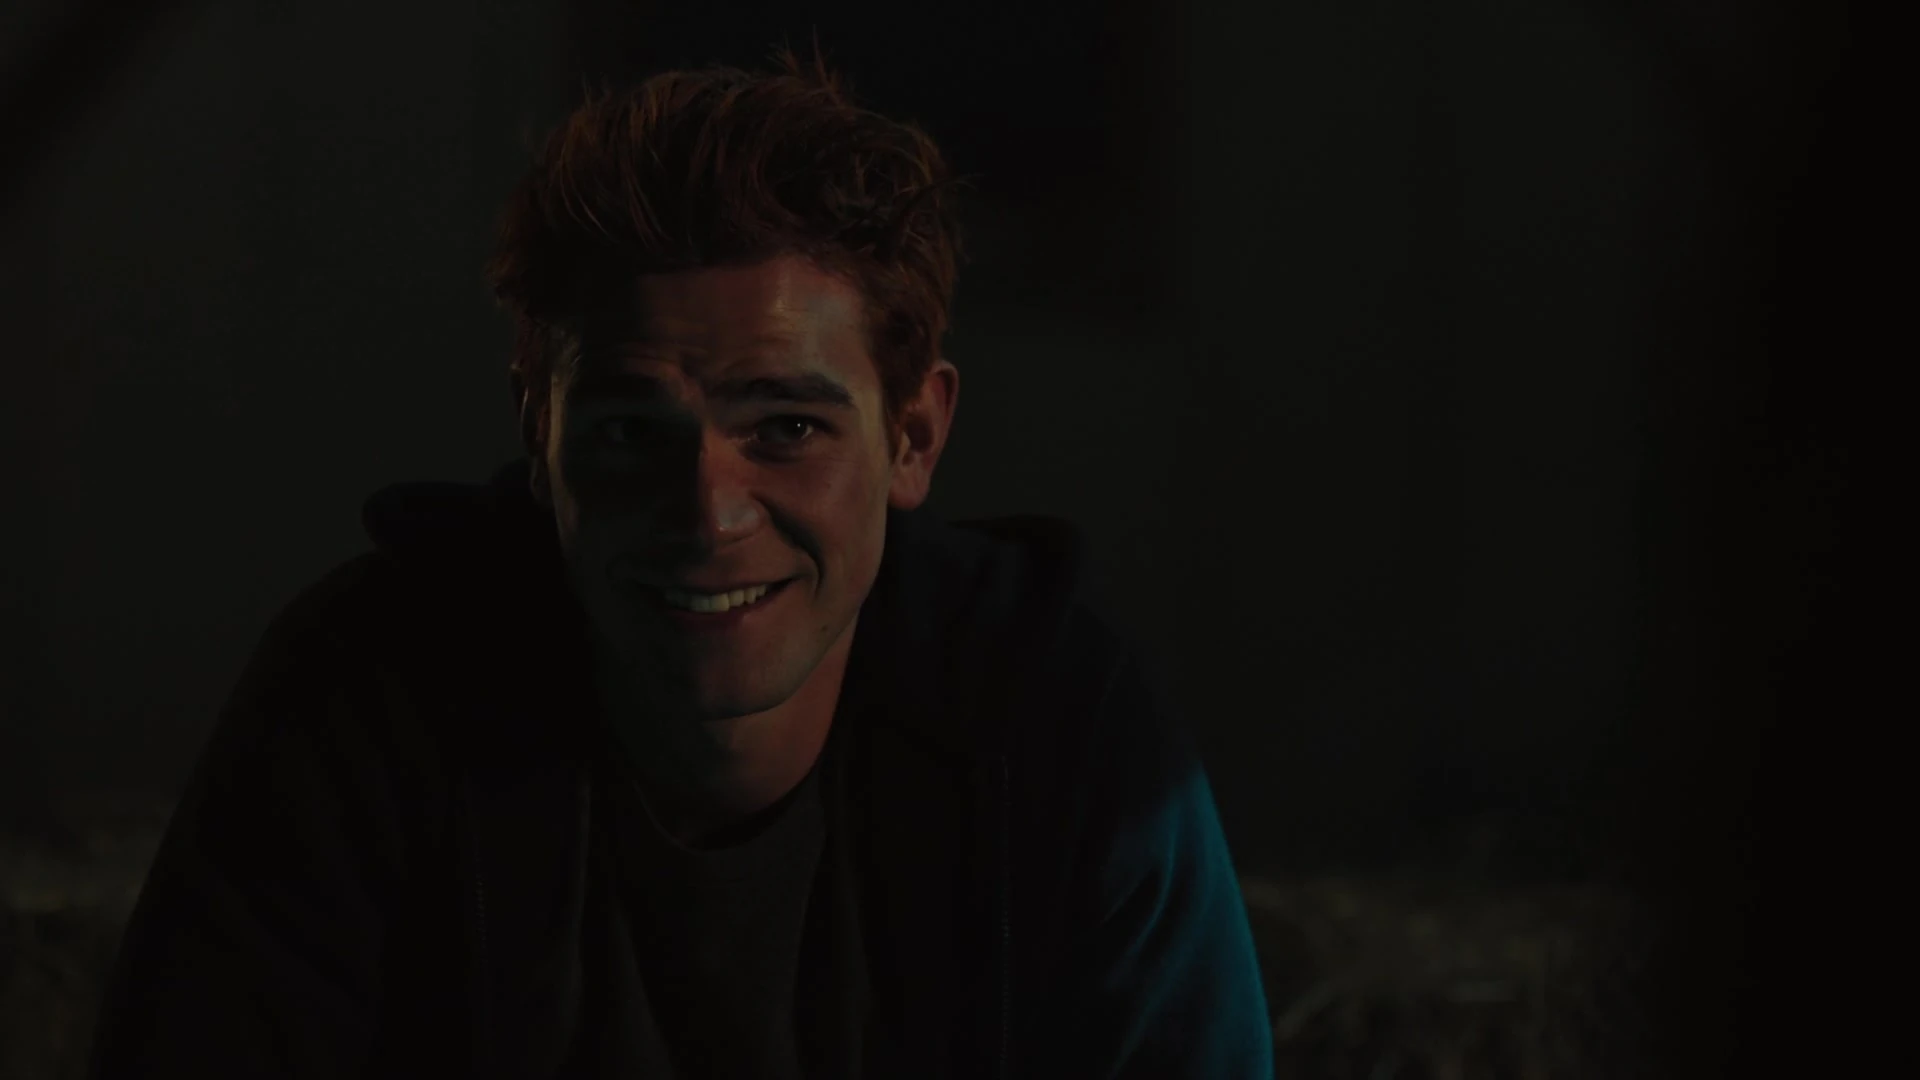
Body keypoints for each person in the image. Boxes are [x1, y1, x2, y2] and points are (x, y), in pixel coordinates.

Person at [88, 48, 1274, 1079]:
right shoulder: (368, 702)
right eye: (627, 434)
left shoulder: (1053, 727)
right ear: (538, 433)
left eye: (787, 427)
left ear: (913, 437)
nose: (707, 511)